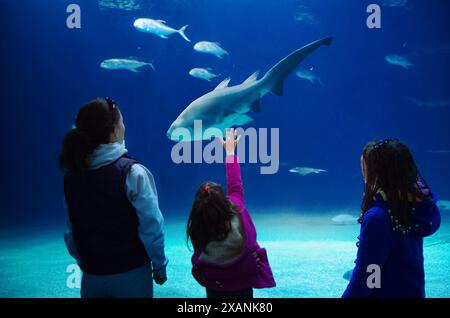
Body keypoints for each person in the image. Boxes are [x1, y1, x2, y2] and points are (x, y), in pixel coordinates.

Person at [60, 97, 168, 298]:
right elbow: (151, 226)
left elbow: (71, 230)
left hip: (92, 276)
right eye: (122, 122)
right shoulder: (133, 172)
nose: (124, 126)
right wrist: (159, 264)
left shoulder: (71, 176)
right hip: (132, 273)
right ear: (114, 129)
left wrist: (87, 264)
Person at [343, 139, 441, 298]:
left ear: (378, 173)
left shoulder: (378, 218)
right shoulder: (410, 206)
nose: (364, 176)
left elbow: (367, 278)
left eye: (365, 170)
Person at [187, 128, 276, 298]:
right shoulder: (236, 206)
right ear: (225, 201)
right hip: (243, 284)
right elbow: (235, 183)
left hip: (215, 285)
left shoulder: (199, 224)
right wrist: (230, 152)